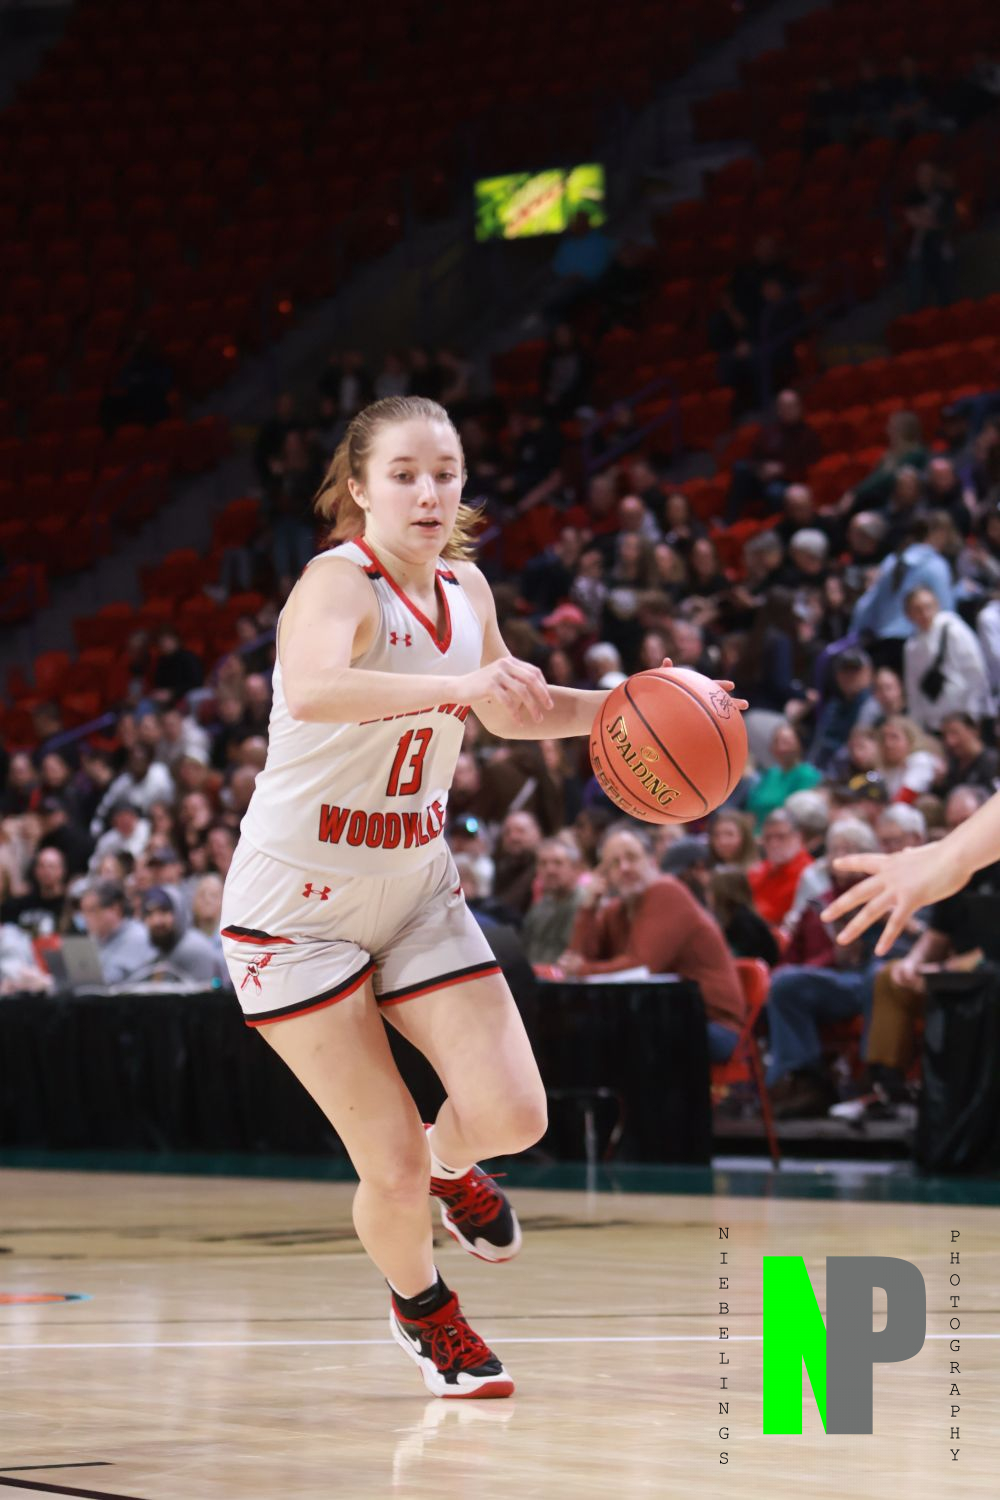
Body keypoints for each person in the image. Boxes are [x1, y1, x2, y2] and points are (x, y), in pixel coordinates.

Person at [218, 391, 751, 1399]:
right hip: (294, 917)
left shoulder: (466, 588)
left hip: (415, 888)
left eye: (445, 473)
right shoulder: (336, 583)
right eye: (404, 475)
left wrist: (648, 706)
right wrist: (457, 689)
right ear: (360, 487)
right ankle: (426, 1312)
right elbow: (314, 690)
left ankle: (453, 1165)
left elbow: (514, 709)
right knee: (383, 1165)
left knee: (512, 1115)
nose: (429, 493)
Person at [559, 827, 746, 1062]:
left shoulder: (667, 892)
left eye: (632, 858)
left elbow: (641, 967)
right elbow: (577, 964)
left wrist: (582, 970)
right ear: (605, 875)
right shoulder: (617, 910)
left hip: (712, 1024)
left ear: (651, 861)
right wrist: (588, 907)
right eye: (614, 863)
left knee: (611, 1039)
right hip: (663, 1017)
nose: (624, 868)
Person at [521, 836, 585, 967]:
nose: (550, 870)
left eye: (558, 863)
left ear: (575, 868)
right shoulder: (540, 905)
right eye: (543, 864)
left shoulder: (585, 904)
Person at [78, 880, 157, 984]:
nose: (85, 918)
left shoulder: (138, 935)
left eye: (92, 910)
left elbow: (113, 979)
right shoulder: (95, 937)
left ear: (115, 909)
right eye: (84, 911)